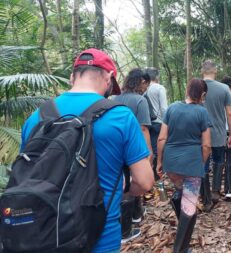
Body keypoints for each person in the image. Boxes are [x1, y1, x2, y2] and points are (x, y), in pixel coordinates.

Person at [20, 48, 154, 253]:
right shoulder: (121, 117)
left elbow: (25, 175)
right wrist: (121, 187)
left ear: (72, 77)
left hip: (44, 236)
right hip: (98, 238)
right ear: (109, 78)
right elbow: (144, 182)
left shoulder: (35, 118)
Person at [156, 78, 211, 252]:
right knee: (189, 207)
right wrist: (199, 162)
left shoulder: (172, 108)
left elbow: (162, 138)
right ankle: (180, 249)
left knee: (182, 193)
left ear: (187, 90)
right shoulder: (202, 112)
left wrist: (159, 161)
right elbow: (206, 145)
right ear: (202, 94)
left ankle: (183, 241)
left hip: (171, 162)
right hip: (191, 162)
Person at [113, 68, 153, 241]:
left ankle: (136, 214)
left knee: (124, 179)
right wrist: (149, 150)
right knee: (135, 181)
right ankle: (125, 230)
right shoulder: (140, 101)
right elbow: (143, 128)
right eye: (146, 85)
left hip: (115, 145)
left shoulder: (115, 99)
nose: (146, 89)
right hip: (134, 147)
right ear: (142, 82)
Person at [201, 60, 231, 209]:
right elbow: (229, 113)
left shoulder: (195, 86)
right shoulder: (224, 88)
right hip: (219, 132)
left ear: (202, 71)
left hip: (200, 134)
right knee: (219, 160)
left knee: (203, 164)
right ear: (215, 71)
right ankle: (215, 191)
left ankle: (206, 198)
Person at [144, 67, 168, 180]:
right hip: (159, 123)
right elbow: (164, 108)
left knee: (150, 150)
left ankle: (149, 176)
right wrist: (167, 123)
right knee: (158, 150)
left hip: (146, 123)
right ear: (157, 76)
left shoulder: (144, 88)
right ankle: (156, 177)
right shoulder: (159, 88)